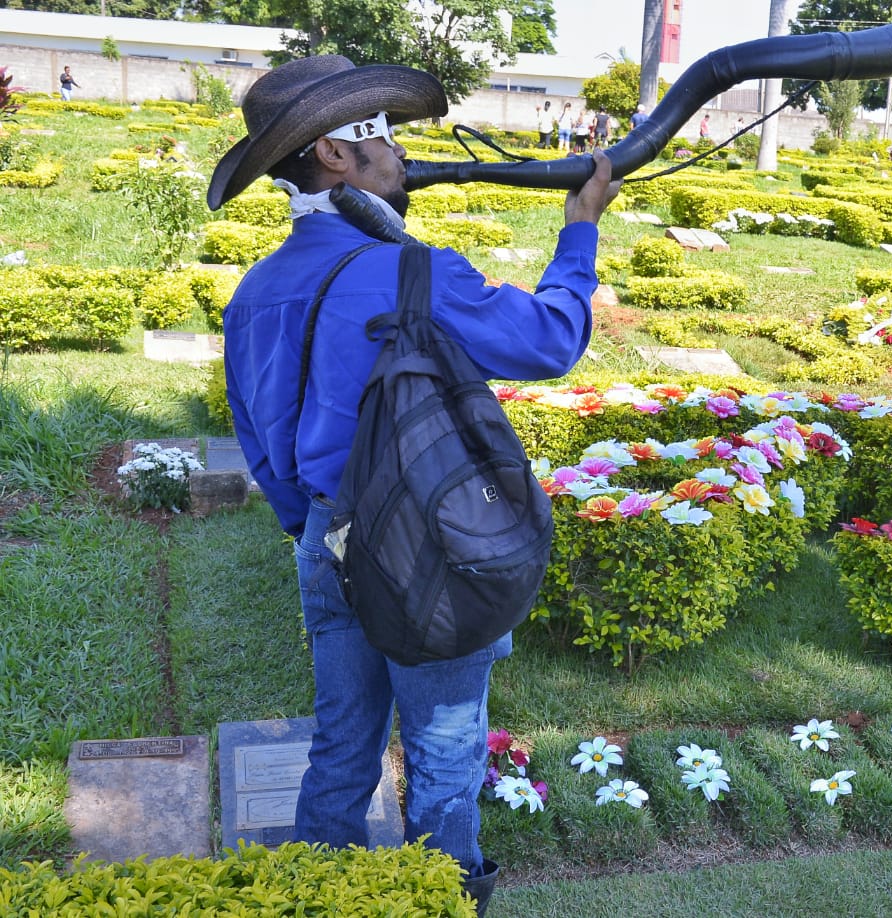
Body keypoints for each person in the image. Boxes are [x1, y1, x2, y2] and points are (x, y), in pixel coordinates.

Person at [205, 54, 619, 916]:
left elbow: (262, 442)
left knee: (343, 743)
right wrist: (580, 228)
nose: (399, 157)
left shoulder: (253, 292)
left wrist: (311, 528)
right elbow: (549, 340)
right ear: (333, 154)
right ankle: (440, 901)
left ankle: (317, 897)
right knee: (443, 746)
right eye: (382, 140)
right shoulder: (413, 271)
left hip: (326, 538)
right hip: (428, 548)